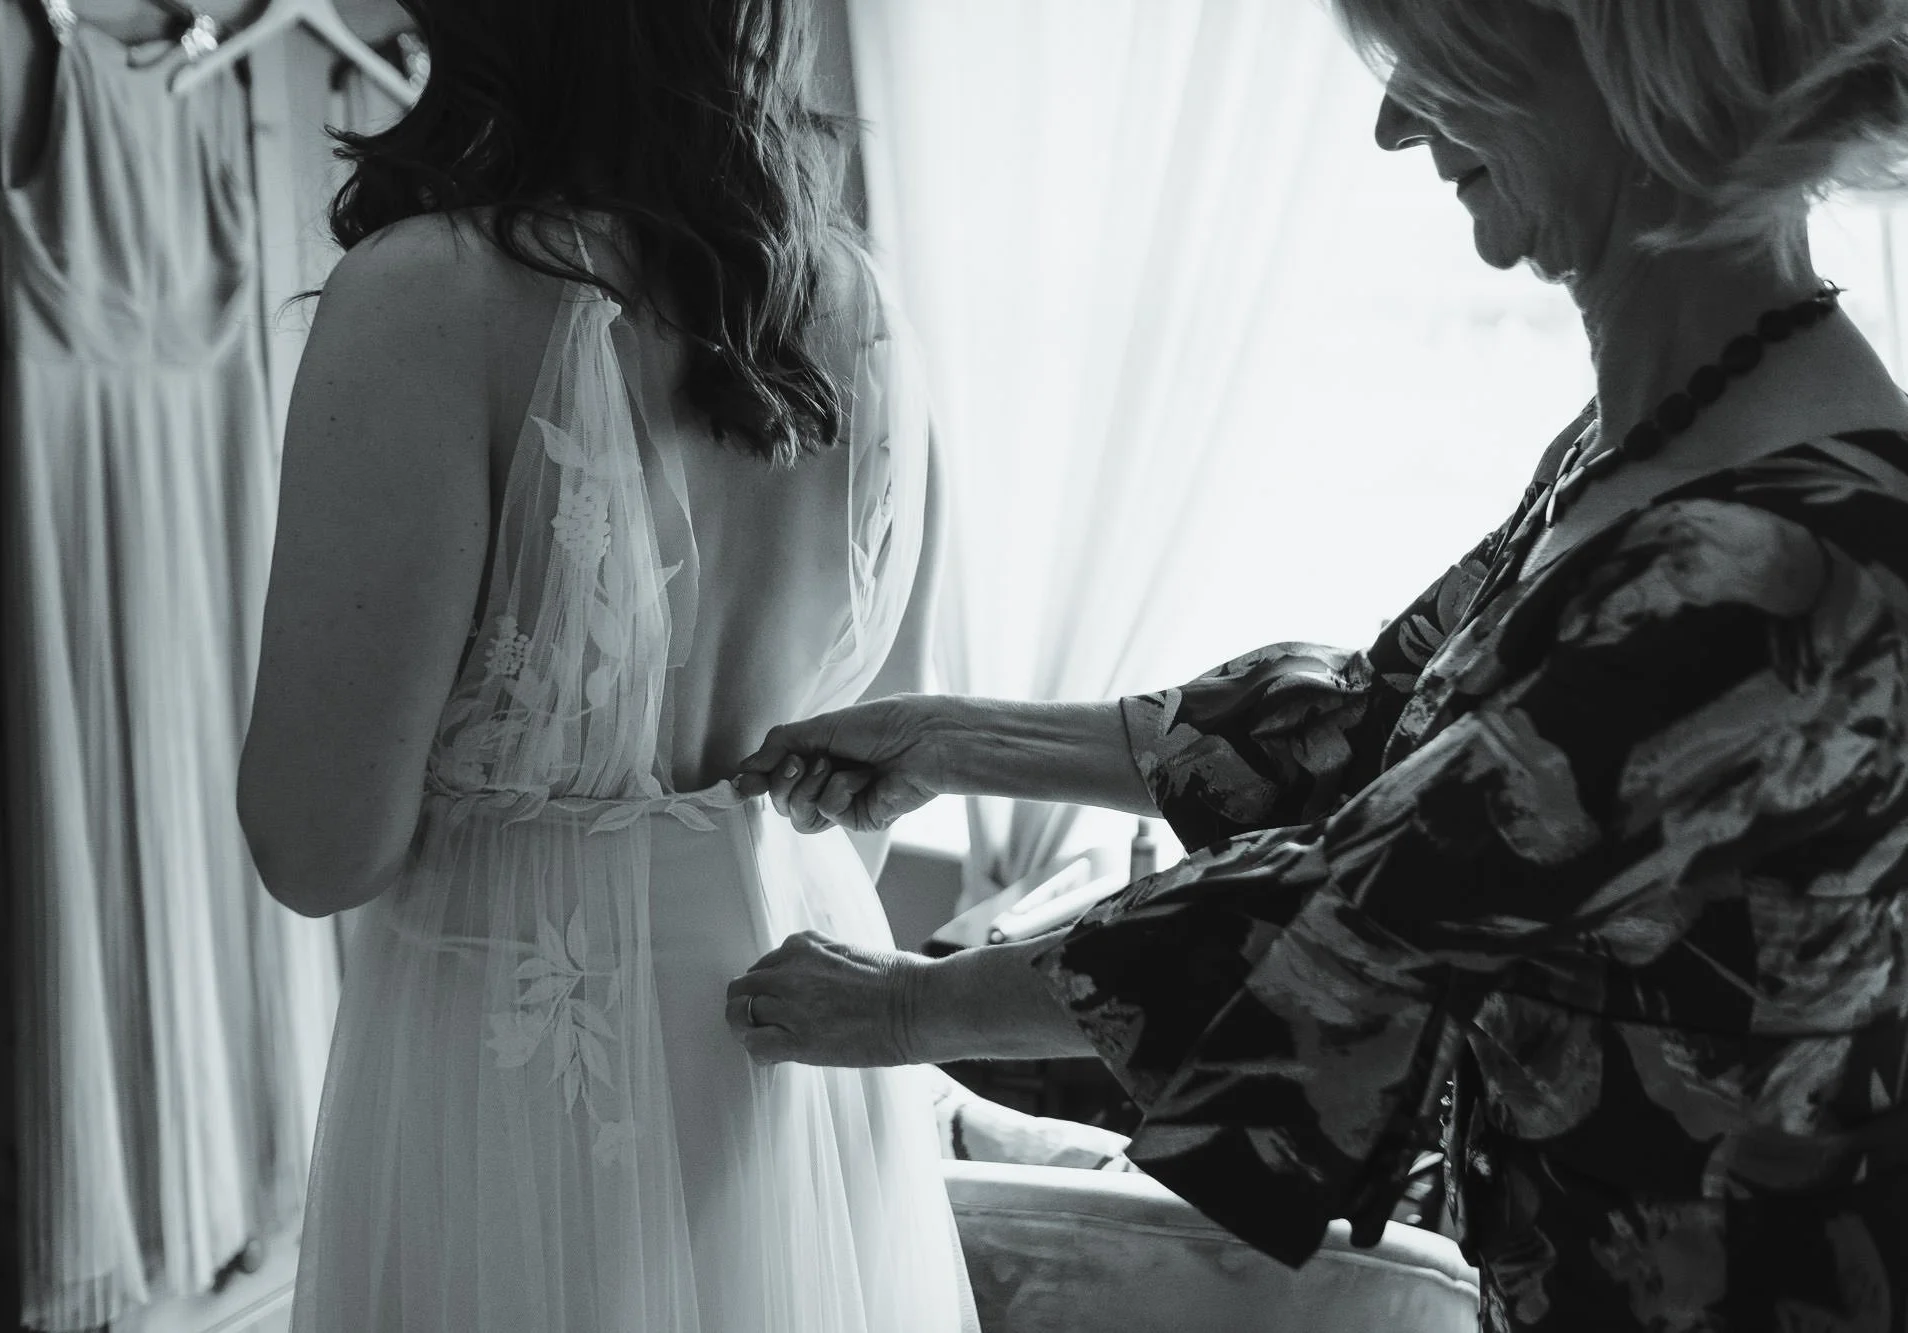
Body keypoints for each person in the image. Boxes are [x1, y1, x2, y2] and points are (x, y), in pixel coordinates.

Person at [728, 2, 1908, 1327]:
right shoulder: (1665, 435)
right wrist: (959, 739)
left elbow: (1357, 921)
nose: (1396, 121)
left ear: (1639, 69)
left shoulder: (1777, 557)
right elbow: (1380, 722)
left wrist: (896, 1010)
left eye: (1443, 63)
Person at [235, 0, 973, 1328]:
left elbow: (316, 845)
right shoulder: (864, 310)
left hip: (522, 1074)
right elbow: (870, 780)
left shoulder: (427, 298)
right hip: (805, 1023)